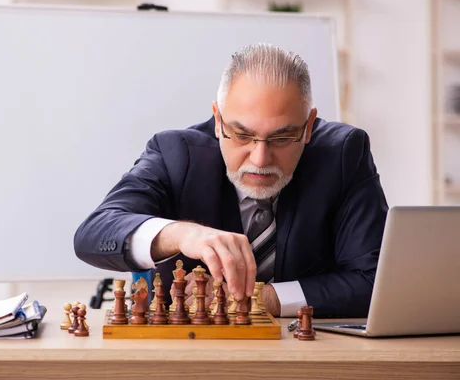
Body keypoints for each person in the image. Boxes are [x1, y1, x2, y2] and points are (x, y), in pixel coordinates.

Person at [74, 43, 388, 318]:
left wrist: (263, 298)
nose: (260, 159)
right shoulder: (174, 154)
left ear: (307, 128)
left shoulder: (344, 153)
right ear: (217, 119)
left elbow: (377, 281)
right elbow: (93, 234)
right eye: (242, 135)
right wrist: (181, 234)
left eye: (282, 138)